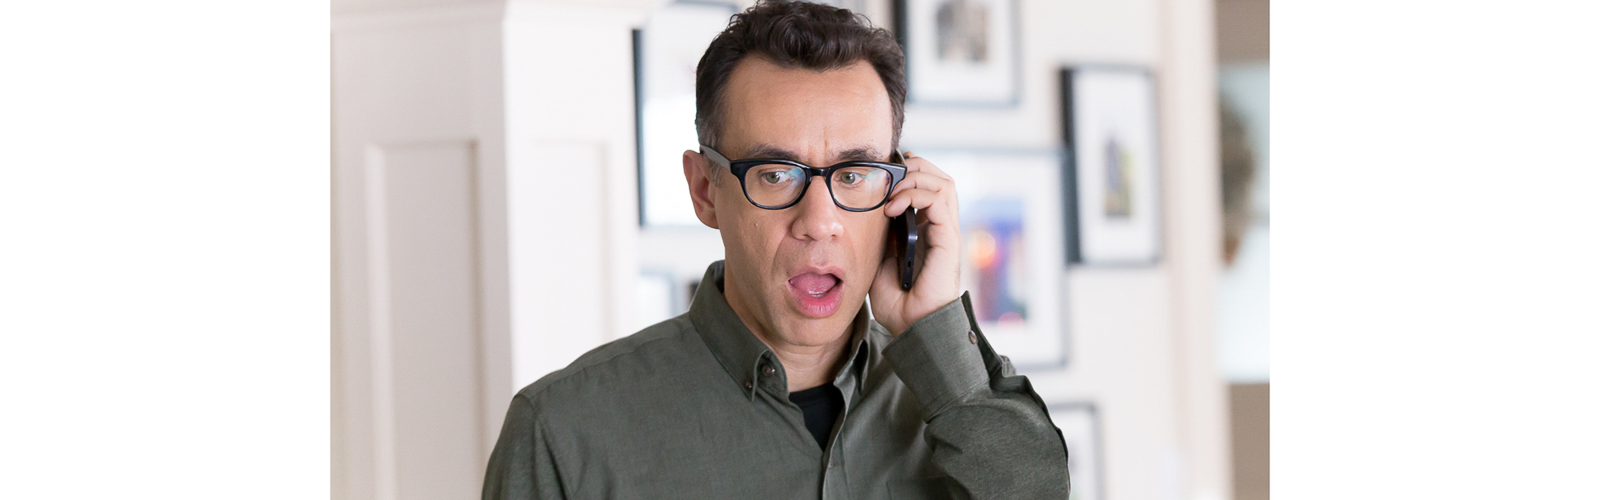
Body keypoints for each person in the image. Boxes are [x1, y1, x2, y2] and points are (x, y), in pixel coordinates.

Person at [483, 2, 1070, 498]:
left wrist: (935, 327)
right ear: (705, 190)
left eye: (854, 174)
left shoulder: (959, 410)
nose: (819, 223)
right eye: (775, 174)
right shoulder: (563, 433)